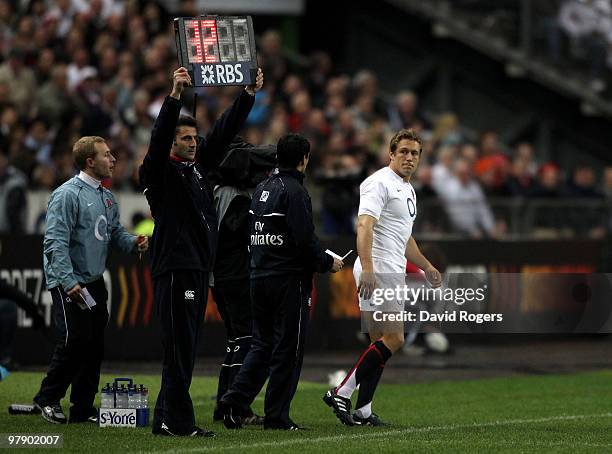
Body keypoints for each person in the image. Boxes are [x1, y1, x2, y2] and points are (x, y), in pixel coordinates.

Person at [139, 66, 263, 437]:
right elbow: (158, 140)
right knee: (180, 349)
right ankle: (178, 422)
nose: (194, 143)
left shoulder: (196, 171)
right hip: (177, 268)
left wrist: (246, 95)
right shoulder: (160, 172)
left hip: (193, 267)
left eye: (195, 138)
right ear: (173, 144)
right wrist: (174, 97)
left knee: (184, 349)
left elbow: (223, 133)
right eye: (186, 139)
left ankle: (166, 417)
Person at [219, 133, 343, 431]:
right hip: (287, 280)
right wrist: (328, 262)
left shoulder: (263, 187)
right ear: (304, 159)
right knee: (288, 349)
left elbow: (256, 234)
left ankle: (234, 398)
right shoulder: (295, 192)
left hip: (258, 276)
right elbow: (303, 240)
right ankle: (277, 416)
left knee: (262, 345)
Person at [323, 129, 441, 426]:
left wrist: (426, 266)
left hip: (388, 266)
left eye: (414, 153)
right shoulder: (378, 182)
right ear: (391, 154)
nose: (409, 158)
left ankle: (362, 410)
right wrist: (370, 267)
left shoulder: (408, 189)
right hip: (380, 267)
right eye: (403, 151)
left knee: (378, 343)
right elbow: (364, 225)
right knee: (395, 338)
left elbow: (405, 237)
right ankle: (341, 391)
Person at [33, 136, 148, 424]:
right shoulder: (67, 194)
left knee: (94, 344)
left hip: (94, 281)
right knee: (74, 339)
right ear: (90, 161)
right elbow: (54, 243)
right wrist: (68, 281)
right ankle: (47, 398)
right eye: (107, 155)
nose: (113, 160)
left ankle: (82, 407)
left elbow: (114, 235)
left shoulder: (106, 197)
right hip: (69, 280)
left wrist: (135, 242)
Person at [209, 138, 276, 425]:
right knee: (248, 338)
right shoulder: (235, 197)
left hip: (219, 276)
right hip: (235, 275)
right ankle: (237, 406)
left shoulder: (215, 190)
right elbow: (237, 236)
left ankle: (224, 404)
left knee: (236, 340)